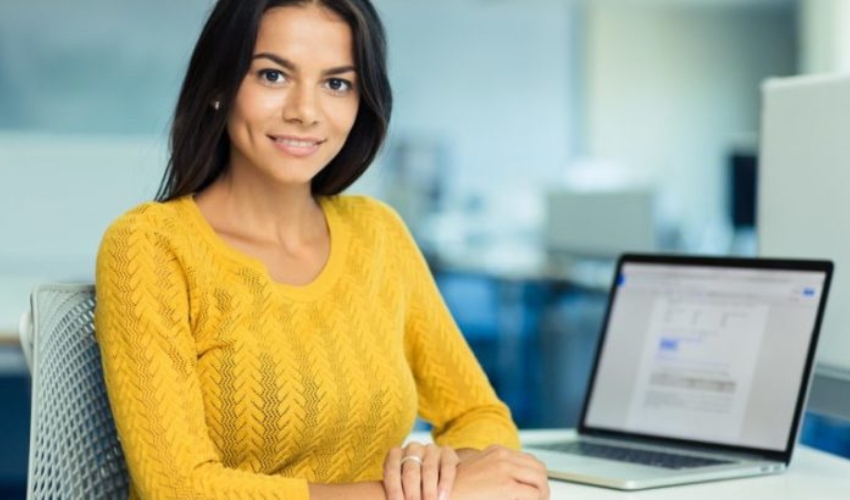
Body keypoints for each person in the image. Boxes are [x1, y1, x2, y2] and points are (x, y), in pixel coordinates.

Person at [94, 1, 550, 499]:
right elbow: (178, 488)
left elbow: (479, 415)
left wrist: (440, 469)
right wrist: (399, 496)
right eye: (272, 75)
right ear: (220, 87)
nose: (304, 112)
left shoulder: (378, 234)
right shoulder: (150, 246)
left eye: (336, 84)